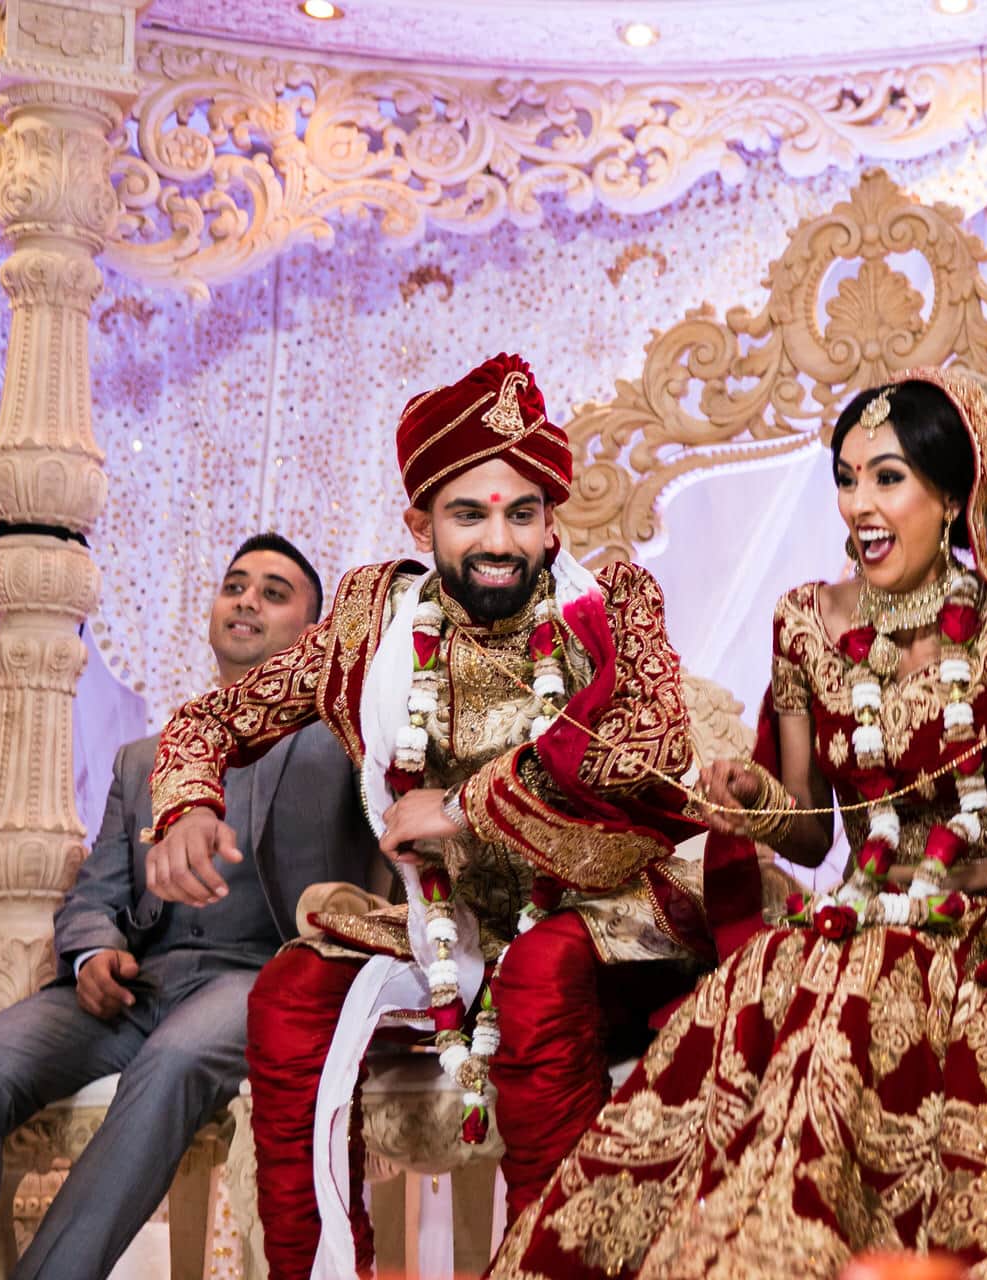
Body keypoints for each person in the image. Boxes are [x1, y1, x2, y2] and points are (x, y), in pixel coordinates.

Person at [486, 365, 987, 1279]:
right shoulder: (806, 621)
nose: (858, 503)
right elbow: (808, 830)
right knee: (767, 1056)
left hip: (975, 930)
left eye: (888, 477)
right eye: (845, 476)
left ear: (952, 496)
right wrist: (757, 800)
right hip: (839, 918)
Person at [145, 353, 708, 1278]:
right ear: (421, 523)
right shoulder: (371, 631)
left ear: (550, 522)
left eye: (522, 514)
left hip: (598, 910)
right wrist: (186, 806)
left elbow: (648, 759)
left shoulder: (610, 611)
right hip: (446, 923)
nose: (500, 539)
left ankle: (548, 1263)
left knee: (537, 971)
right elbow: (214, 717)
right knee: (289, 994)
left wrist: (465, 806)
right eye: (470, 514)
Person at [0, 534, 376, 1280]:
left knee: (173, 1060)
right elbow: (95, 892)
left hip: (261, 977)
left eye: (274, 593)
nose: (246, 599)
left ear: (312, 637)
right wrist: (91, 953)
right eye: (236, 586)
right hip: (135, 986)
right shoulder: (145, 759)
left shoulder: (344, 744)